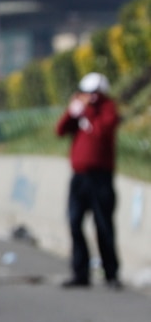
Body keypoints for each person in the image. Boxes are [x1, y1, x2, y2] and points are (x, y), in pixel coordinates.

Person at [57, 72, 122, 289]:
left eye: (92, 93)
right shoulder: (79, 111)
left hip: (101, 178)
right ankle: (80, 272)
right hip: (80, 178)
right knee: (74, 222)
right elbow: (60, 130)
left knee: (103, 226)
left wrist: (87, 112)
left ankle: (110, 274)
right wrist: (72, 112)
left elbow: (103, 131)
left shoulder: (107, 109)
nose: (87, 97)